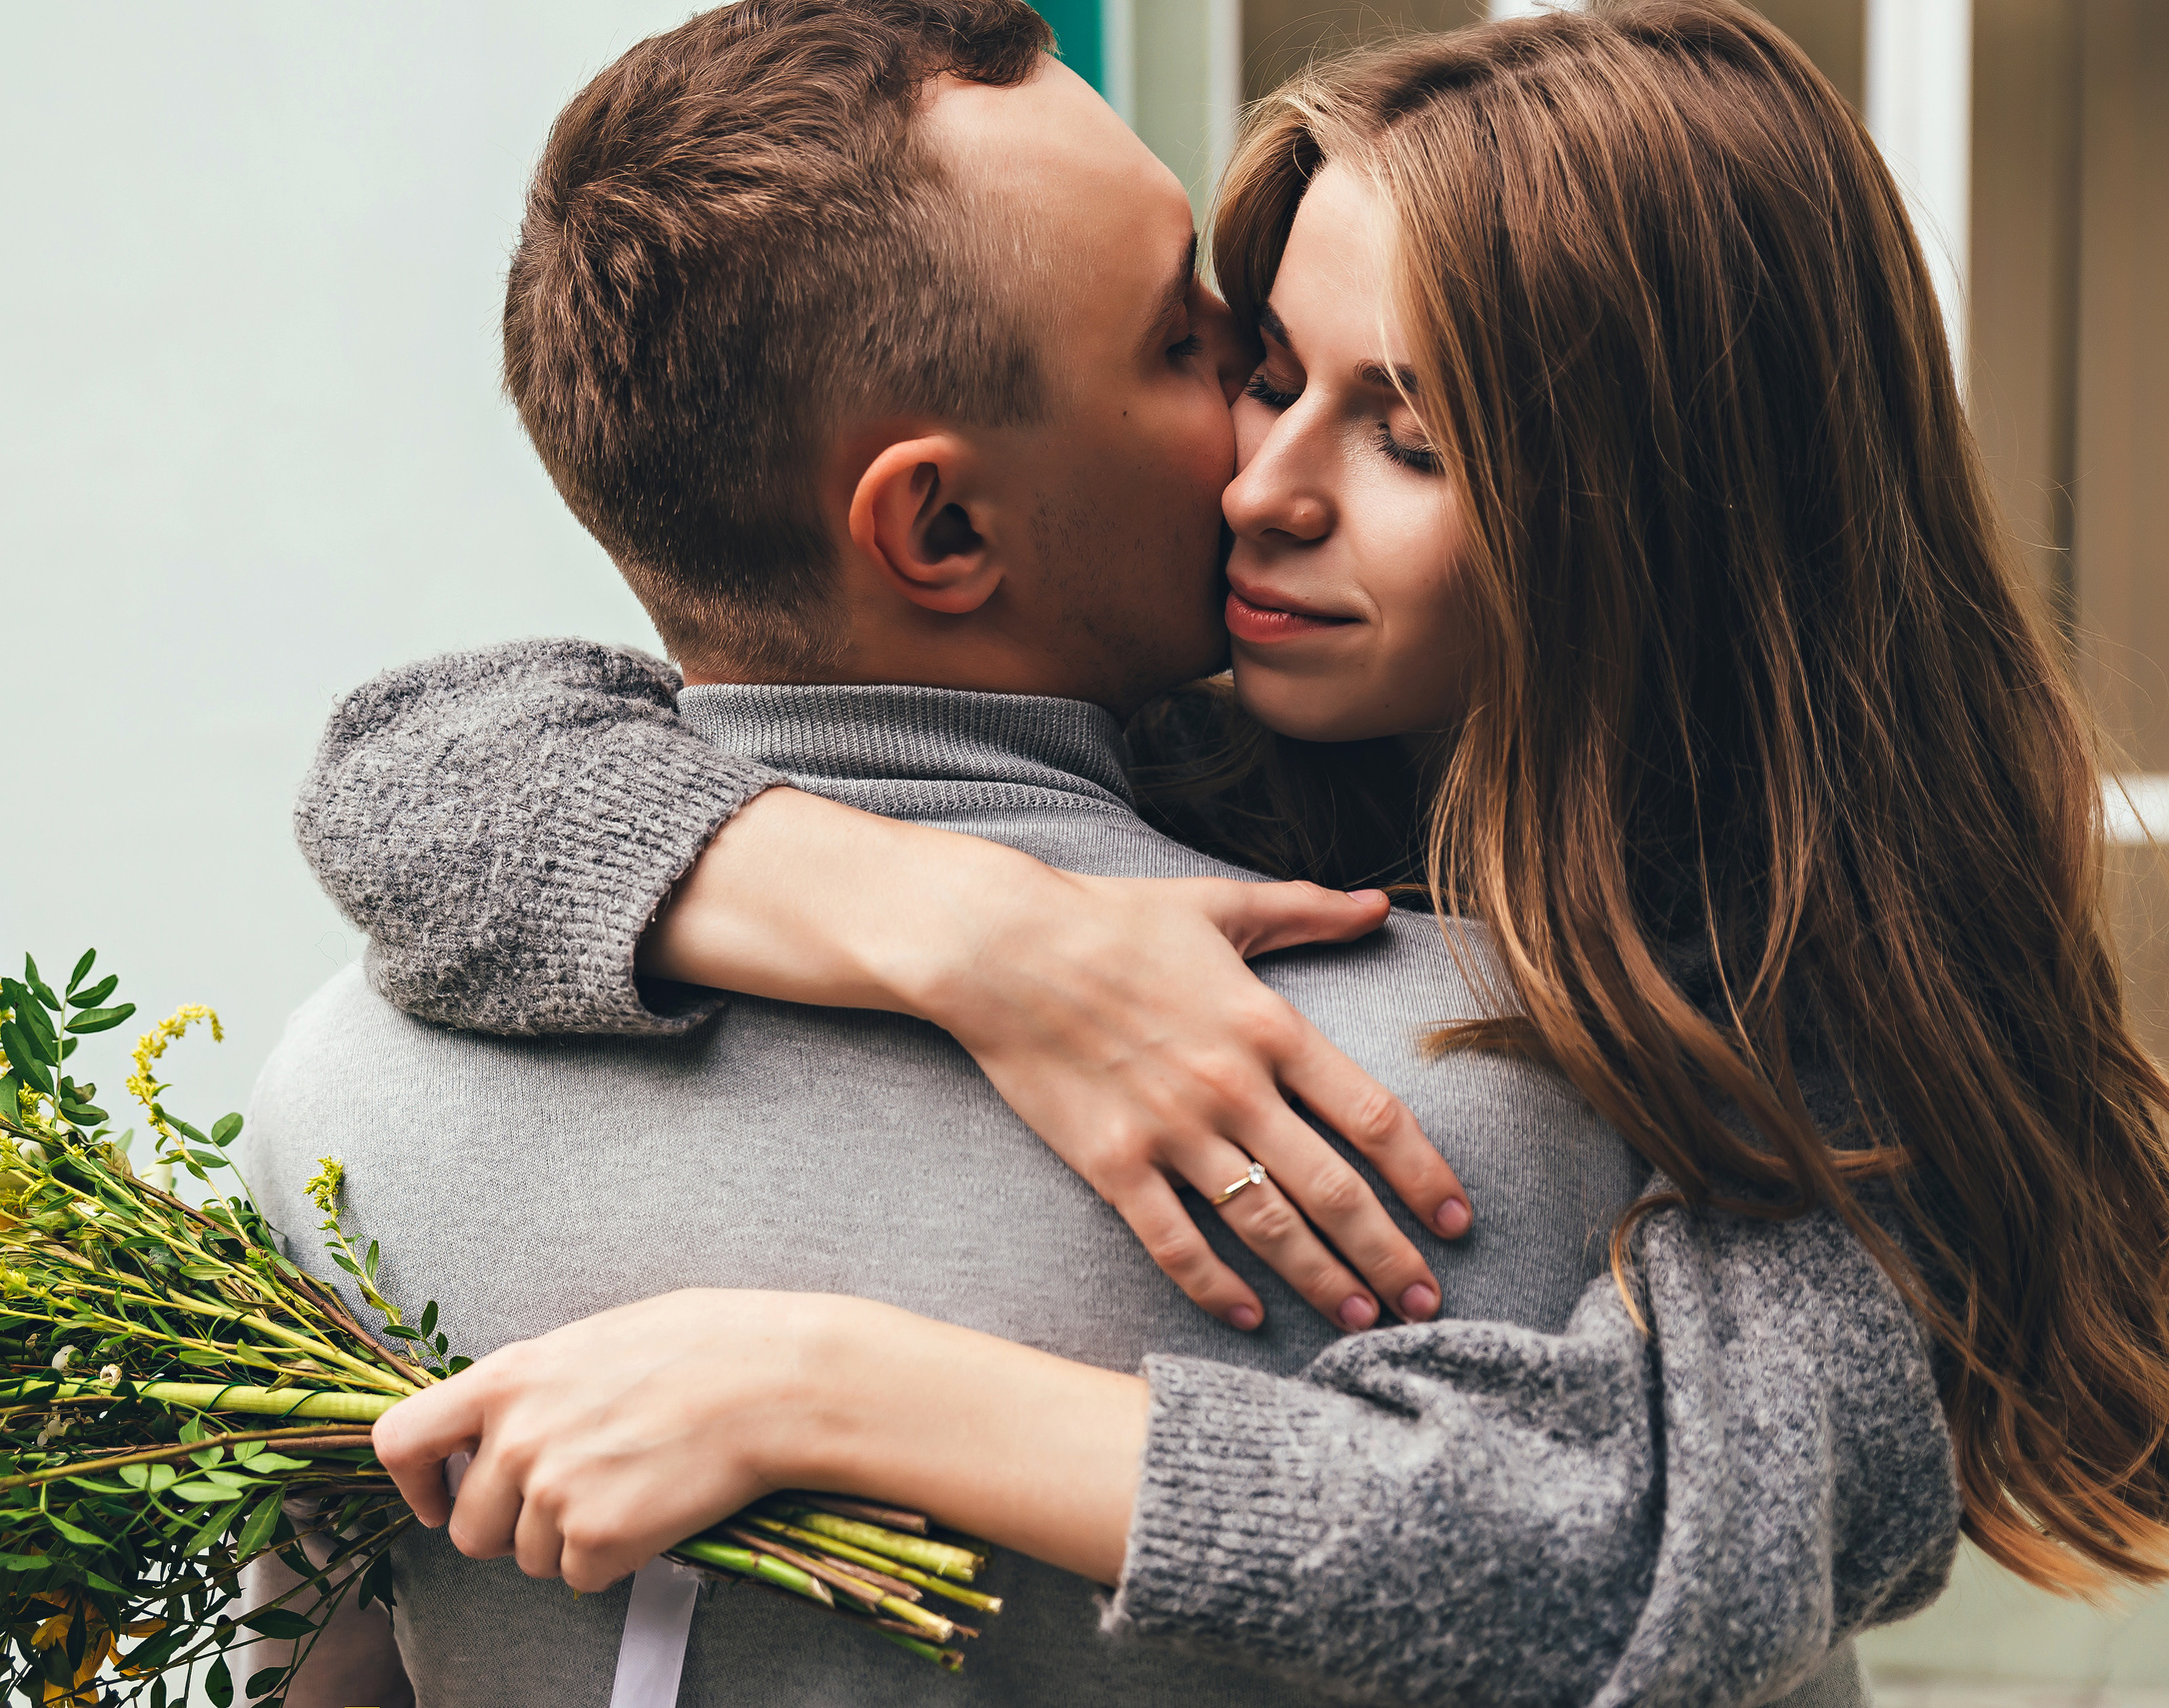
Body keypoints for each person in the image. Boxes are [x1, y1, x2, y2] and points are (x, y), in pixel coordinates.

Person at [247, 2, 2054, 1702]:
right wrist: (964, 924)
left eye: (1411, 434)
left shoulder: (1755, 1068)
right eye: (1247, 365)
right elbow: (414, 756)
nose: (1260, 480)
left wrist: (836, 1382)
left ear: (1672, 521)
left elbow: (1659, 1557)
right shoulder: (1233, 821)